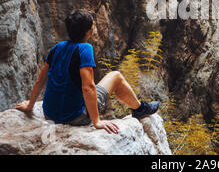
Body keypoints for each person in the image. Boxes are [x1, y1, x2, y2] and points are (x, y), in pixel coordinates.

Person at [14, 9, 159, 134]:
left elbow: (40, 79)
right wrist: (97, 121)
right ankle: (140, 108)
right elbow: (88, 87)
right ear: (89, 32)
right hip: (74, 117)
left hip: (49, 114)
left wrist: (30, 105)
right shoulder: (85, 49)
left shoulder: (57, 47)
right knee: (116, 76)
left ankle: (139, 107)